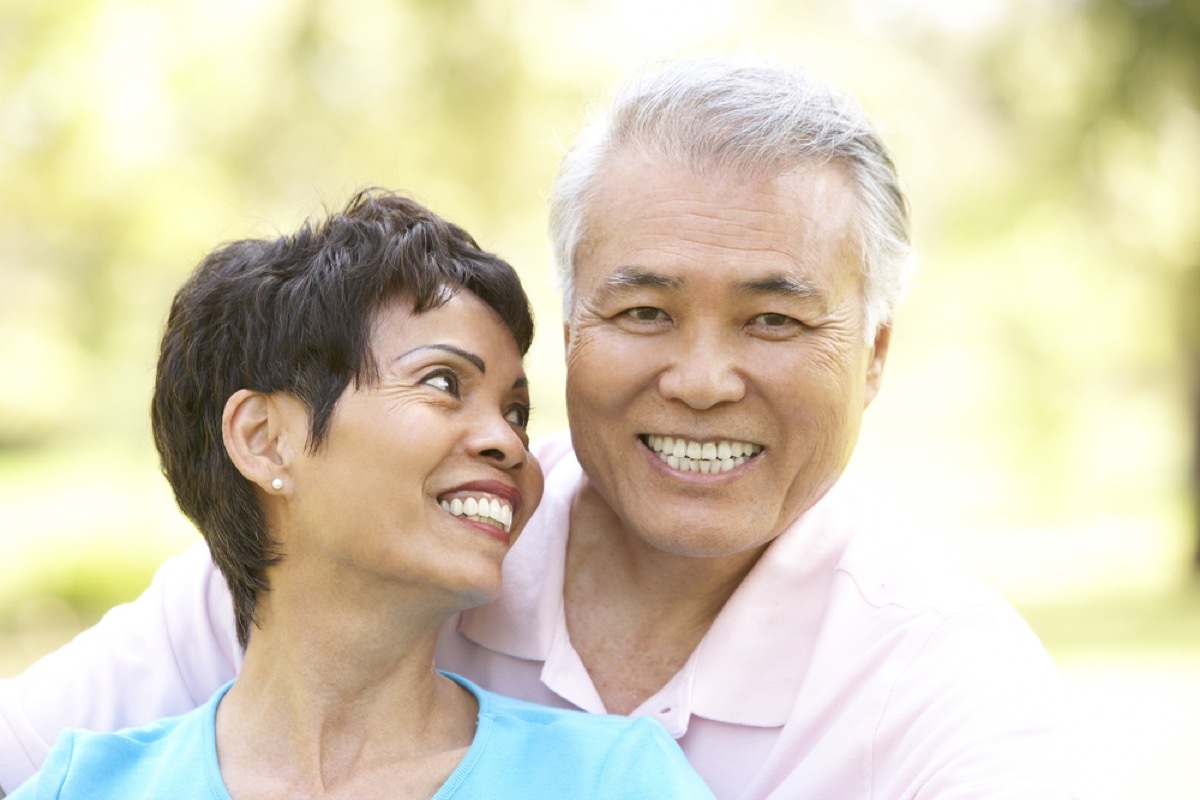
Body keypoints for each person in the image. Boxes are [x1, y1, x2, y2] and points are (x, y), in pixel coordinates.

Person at [0, 58, 1076, 798]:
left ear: (876, 354)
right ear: (570, 327)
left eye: (776, 318)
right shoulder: (373, 549)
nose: (701, 378)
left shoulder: (947, 686)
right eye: (644, 310)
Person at [2, 190, 713, 799]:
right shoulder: (81, 784)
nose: (510, 443)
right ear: (264, 438)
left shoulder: (613, 780)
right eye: (443, 382)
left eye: (516, 411)